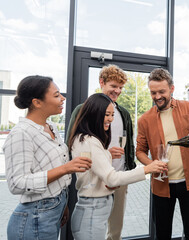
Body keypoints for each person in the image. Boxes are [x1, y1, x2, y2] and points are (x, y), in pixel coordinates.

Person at [3, 75, 92, 240]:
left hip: (52, 209)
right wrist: (66, 168)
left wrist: (62, 204)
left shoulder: (50, 127)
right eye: (57, 95)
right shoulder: (21, 134)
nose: (63, 98)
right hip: (34, 217)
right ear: (37, 102)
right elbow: (17, 183)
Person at [67, 93, 166, 239]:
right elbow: (112, 178)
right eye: (107, 114)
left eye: (112, 115)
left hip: (95, 210)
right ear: (94, 113)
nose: (111, 119)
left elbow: (91, 172)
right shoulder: (88, 141)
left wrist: (107, 155)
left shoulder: (89, 140)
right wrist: (147, 169)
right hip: (92, 212)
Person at [136, 68, 189, 240]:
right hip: (161, 185)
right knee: (163, 234)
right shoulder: (144, 119)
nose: (157, 96)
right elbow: (140, 151)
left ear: (172, 89)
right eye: (153, 92)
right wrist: (151, 164)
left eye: (161, 92)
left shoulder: (188, 108)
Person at [66, 64, 135, 240]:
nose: (117, 91)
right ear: (101, 83)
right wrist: (106, 153)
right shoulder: (83, 110)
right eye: (113, 86)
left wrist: (129, 168)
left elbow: (129, 145)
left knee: (115, 228)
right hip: (94, 181)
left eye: (120, 87)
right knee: (93, 226)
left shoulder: (123, 113)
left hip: (119, 177)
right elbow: (71, 144)